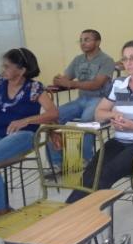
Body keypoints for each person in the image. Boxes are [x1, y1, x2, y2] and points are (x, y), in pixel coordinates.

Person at [67, 40, 133, 203]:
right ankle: (68, 211)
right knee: (91, 171)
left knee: (108, 172)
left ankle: (80, 214)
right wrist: (112, 116)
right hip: (120, 141)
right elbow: (98, 113)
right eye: (124, 59)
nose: (128, 63)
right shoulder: (118, 84)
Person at [0, 48, 58, 221]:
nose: (3, 69)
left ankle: (0, 209)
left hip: (24, 135)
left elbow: (53, 113)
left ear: (21, 70)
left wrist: (26, 120)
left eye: (7, 66)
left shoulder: (34, 87)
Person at [49, 29, 116, 170]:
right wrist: (58, 80)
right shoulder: (78, 60)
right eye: (81, 40)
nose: (83, 43)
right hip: (81, 99)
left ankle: (87, 160)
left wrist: (71, 83)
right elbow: (63, 79)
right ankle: (57, 163)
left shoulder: (106, 60)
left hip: (99, 99)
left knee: (87, 120)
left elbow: (97, 84)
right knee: (52, 117)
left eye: (87, 39)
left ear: (97, 42)